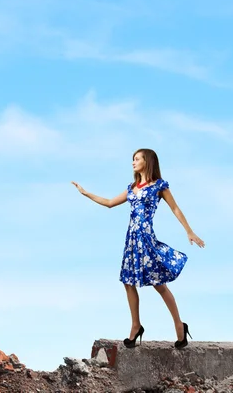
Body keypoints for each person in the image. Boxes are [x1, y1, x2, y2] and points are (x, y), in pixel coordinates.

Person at [71, 148, 205, 349]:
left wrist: (189, 231)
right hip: (131, 240)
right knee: (128, 282)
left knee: (159, 285)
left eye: (137, 159)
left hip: (146, 238)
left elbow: (175, 208)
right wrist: (86, 193)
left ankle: (179, 324)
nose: (133, 162)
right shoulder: (132, 187)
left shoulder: (159, 186)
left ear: (147, 161)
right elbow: (109, 203)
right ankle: (136, 325)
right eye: (132, 159)